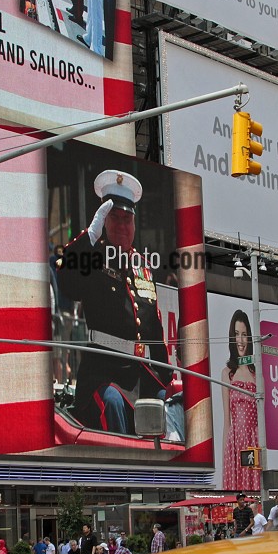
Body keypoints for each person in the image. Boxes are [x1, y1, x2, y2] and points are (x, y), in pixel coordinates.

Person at [54, 169, 177, 438]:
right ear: (104, 221)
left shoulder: (144, 267)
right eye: (115, 218)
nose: (122, 225)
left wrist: (167, 378)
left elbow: (153, 328)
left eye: (127, 219)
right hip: (103, 372)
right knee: (112, 402)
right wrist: (89, 237)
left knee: (174, 405)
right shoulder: (93, 258)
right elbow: (67, 283)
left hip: (142, 373)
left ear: (135, 225)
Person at [222, 310, 259, 490]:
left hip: (254, 439)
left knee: (255, 486)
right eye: (236, 334)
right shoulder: (227, 373)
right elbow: (226, 420)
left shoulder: (257, 374)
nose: (240, 340)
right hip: (235, 440)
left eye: (244, 334)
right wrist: (225, 458)